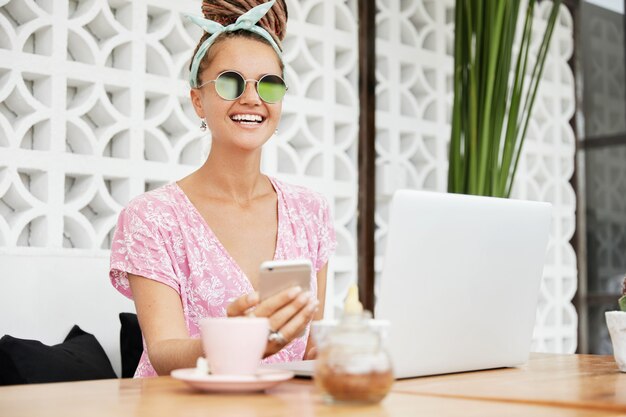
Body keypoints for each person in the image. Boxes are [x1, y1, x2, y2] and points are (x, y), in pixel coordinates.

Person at [109, 0, 336, 377]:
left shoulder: (311, 211)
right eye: (231, 82)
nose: (252, 98)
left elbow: (311, 344)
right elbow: (163, 352)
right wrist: (239, 342)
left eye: (270, 85)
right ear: (198, 100)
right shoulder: (151, 217)